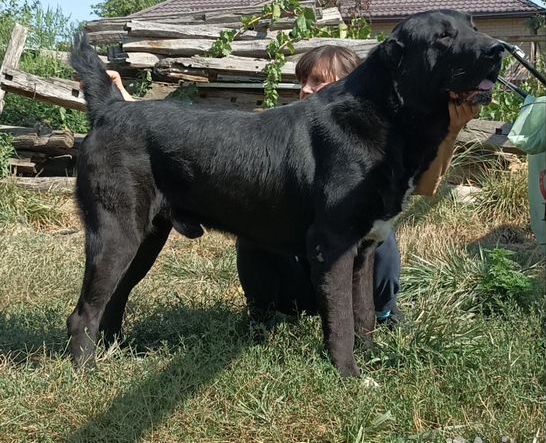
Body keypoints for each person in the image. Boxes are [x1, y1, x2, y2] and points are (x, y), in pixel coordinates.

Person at [106, 45, 480, 328]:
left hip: (352, 284)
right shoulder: (276, 128)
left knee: (375, 225)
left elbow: (423, 188)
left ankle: (380, 313)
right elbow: (193, 140)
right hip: (300, 277)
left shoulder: (376, 141)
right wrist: (122, 103)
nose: (305, 89)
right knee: (251, 221)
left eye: (317, 81)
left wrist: (451, 131)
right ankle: (267, 315)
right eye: (302, 80)